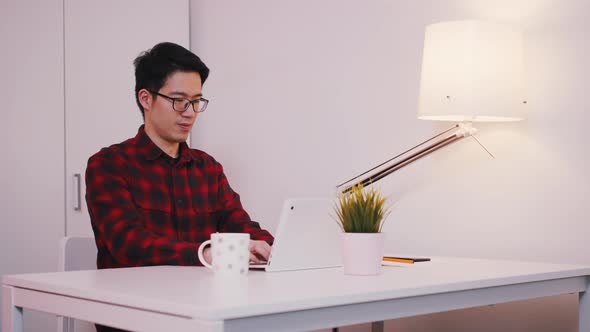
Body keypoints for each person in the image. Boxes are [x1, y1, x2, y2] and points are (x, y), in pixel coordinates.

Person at [85, 42, 274, 332]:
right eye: (178, 100)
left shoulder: (207, 168)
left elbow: (238, 223)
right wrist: (205, 253)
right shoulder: (109, 164)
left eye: (196, 101)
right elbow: (129, 244)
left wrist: (269, 247)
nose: (189, 112)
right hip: (134, 318)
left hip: (201, 313)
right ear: (145, 99)